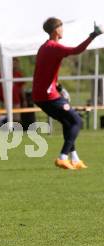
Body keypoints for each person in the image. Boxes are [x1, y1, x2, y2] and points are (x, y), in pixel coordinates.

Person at [32, 17, 102, 170]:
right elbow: (77, 50)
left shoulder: (44, 47)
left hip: (41, 95)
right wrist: (93, 35)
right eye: (61, 27)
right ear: (56, 29)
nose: (63, 29)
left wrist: (57, 86)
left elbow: (43, 72)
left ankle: (75, 159)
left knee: (68, 123)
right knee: (77, 121)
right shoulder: (54, 47)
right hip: (48, 96)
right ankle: (62, 157)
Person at [0, 57, 26, 122]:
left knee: (16, 119)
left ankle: (16, 130)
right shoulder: (1, 74)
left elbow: (22, 89)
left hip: (16, 100)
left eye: (16, 63)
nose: (15, 65)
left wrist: (24, 100)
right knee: (4, 117)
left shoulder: (19, 74)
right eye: (13, 63)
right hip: (4, 100)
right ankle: (5, 129)